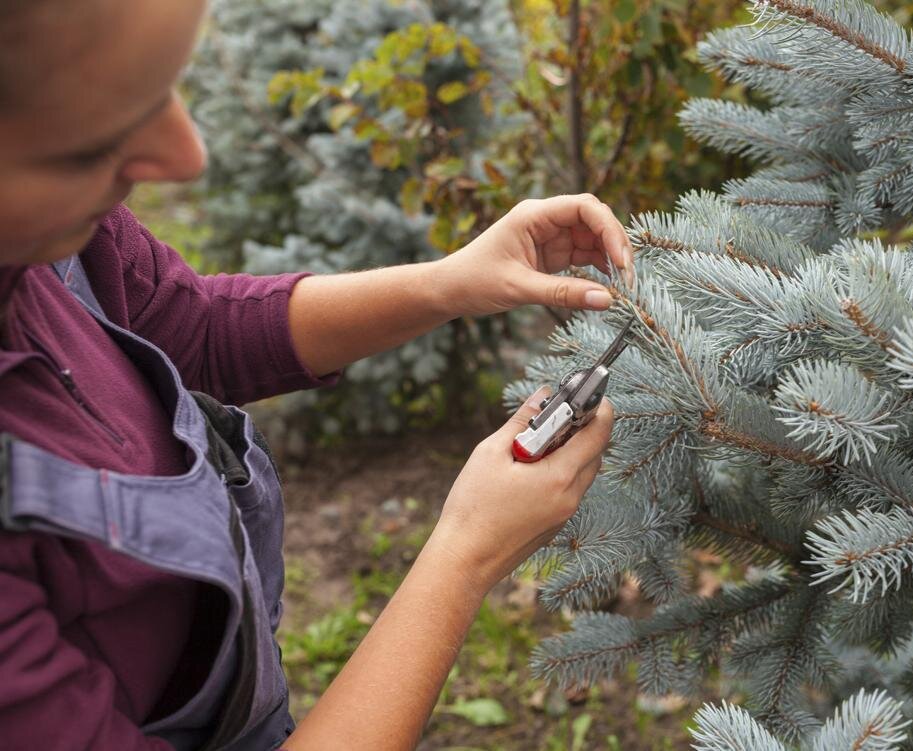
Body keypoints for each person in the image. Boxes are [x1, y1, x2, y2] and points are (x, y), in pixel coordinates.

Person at [0, 1, 633, 748]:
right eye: (91, 141)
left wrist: (451, 282)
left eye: (163, 88)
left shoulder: (48, 243)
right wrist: (465, 554)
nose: (186, 156)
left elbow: (190, 328)